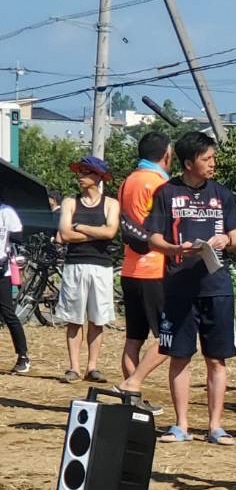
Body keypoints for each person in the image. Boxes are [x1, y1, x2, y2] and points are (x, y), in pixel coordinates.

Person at [143, 131, 236, 445]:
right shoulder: (166, 193)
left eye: (213, 157)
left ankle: (215, 426)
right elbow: (152, 238)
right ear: (188, 163)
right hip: (178, 287)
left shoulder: (223, 195)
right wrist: (174, 249)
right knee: (180, 356)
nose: (213, 163)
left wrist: (225, 239)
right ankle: (181, 425)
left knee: (217, 358)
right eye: (207, 158)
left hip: (217, 286)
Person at [116, 132, 173, 398]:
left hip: (129, 268)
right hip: (156, 268)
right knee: (169, 336)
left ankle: (132, 401)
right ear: (167, 155)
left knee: (133, 339)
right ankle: (134, 382)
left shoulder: (128, 181)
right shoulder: (160, 184)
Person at [54, 156, 119, 384]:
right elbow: (64, 234)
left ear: (98, 177)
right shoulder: (70, 202)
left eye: (86, 172)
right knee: (74, 319)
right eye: (80, 172)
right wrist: (95, 231)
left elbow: (111, 232)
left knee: (97, 319)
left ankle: (93, 366)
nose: (81, 176)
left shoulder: (111, 203)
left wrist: (80, 227)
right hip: (75, 264)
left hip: (101, 266)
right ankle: (74, 367)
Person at [0, 199, 27, 374]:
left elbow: (18, 235)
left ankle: (23, 356)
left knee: (7, 312)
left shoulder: (6, 211)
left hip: (2, 270)